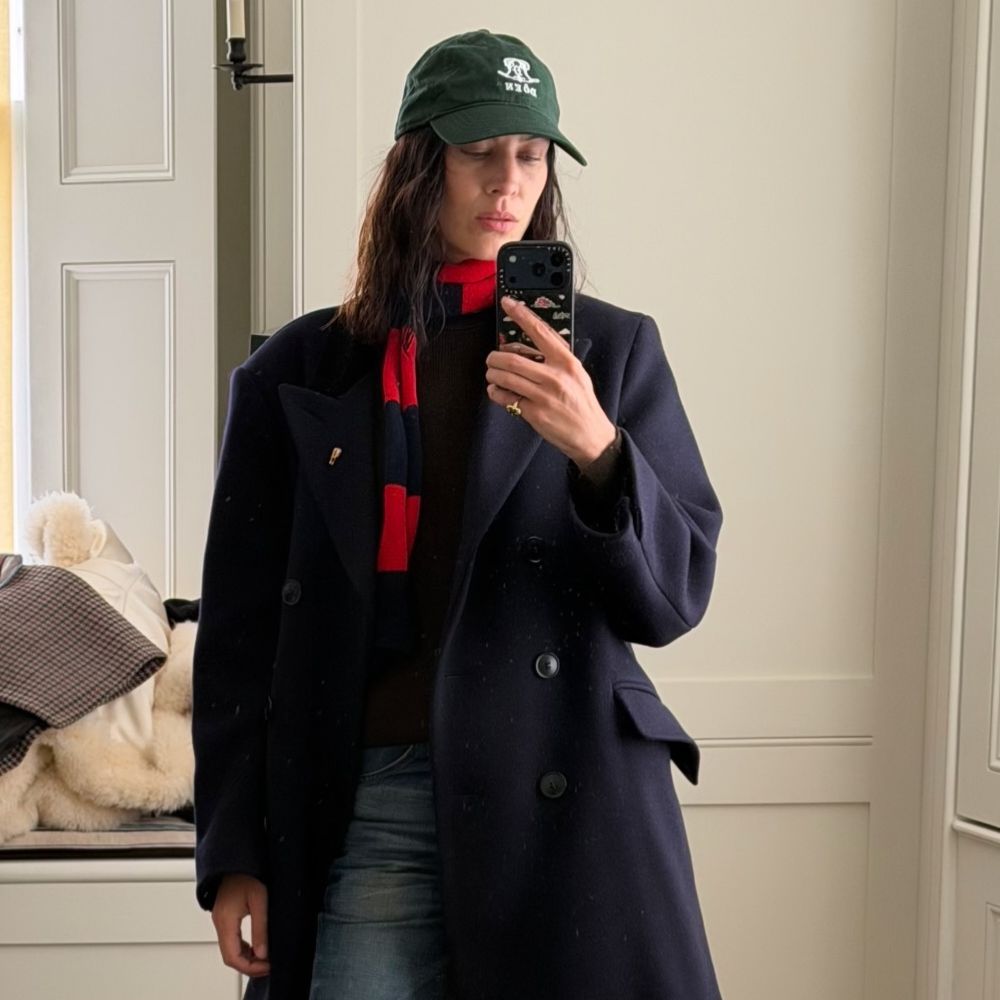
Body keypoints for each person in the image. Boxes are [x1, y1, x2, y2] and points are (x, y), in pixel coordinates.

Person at [192, 27, 725, 1000]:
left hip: (567, 802)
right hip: (376, 793)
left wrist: (599, 451)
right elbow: (237, 635)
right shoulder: (298, 375)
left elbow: (674, 594)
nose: (507, 181)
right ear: (419, 164)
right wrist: (234, 851)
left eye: (529, 155)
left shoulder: (610, 355)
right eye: (480, 152)